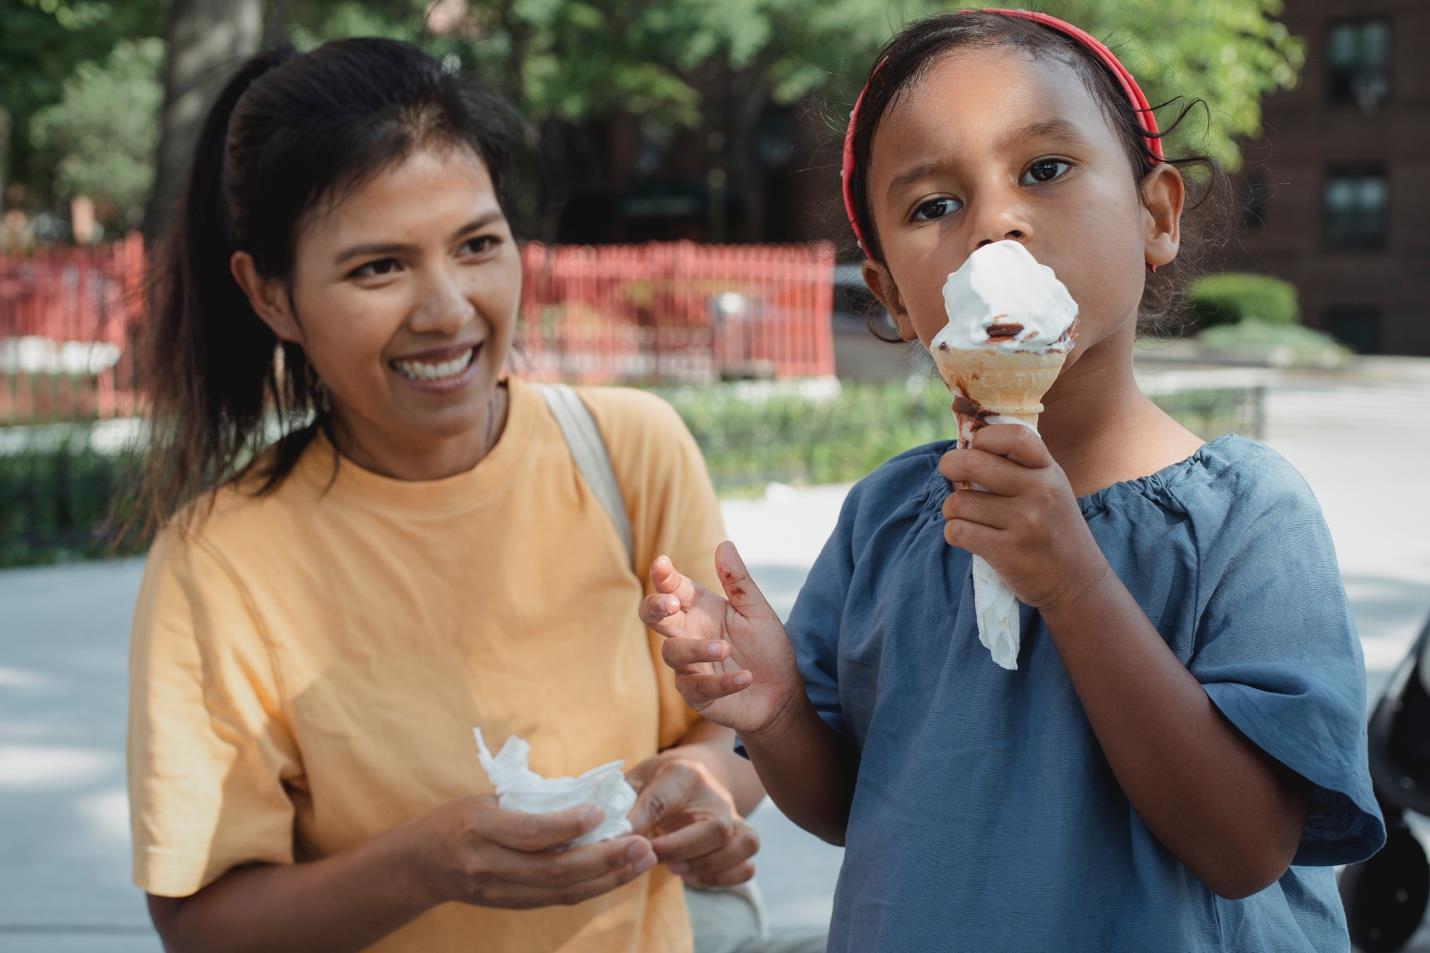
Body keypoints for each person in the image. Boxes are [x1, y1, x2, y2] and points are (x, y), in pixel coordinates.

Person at [645, 9, 1386, 952]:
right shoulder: (888, 520)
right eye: (932, 205)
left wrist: (1073, 584)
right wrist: (779, 706)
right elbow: (842, 803)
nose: (994, 220)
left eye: (1044, 169)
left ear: (1154, 216)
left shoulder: (1244, 514)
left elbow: (1245, 847)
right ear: (892, 297)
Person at [126, 37, 781, 953]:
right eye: (377, 267)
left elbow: (729, 729)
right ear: (271, 296)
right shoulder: (219, 561)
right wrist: (426, 864)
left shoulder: (631, 448)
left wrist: (703, 792)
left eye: (477, 245)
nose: (446, 309)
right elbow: (200, 924)